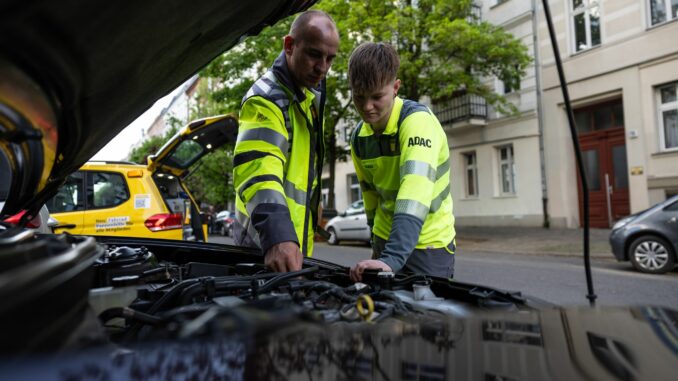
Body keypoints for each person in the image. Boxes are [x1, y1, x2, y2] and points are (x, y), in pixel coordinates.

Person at [233, 10, 339, 273]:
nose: (323, 68)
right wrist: (278, 235)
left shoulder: (306, 94)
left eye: (330, 59)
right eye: (315, 54)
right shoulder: (266, 99)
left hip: (292, 247)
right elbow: (258, 170)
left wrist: (313, 200)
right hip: (265, 248)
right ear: (289, 46)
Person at [347, 42, 456, 282]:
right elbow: (370, 197)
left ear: (395, 88)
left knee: (426, 318)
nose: (367, 107)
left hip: (429, 245)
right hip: (385, 243)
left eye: (377, 97)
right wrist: (378, 248)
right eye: (359, 97)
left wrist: (391, 259)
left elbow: (414, 194)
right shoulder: (358, 137)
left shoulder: (417, 121)